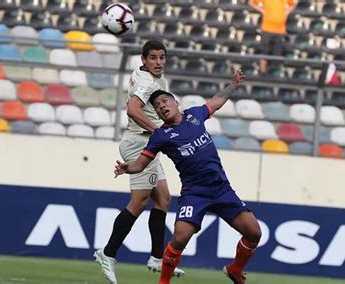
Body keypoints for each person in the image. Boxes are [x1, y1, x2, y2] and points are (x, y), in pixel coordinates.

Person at [113, 69, 262, 284]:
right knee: (180, 236)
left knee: (254, 232)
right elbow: (141, 163)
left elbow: (216, 101)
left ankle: (235, 269)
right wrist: (128, 168)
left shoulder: (195, 115)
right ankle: (163, 282)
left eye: (165, 101)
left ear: (176, 103)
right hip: (195, 193)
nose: (162, 106)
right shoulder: (161, 136)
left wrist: (234, 84)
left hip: (221, 189)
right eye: (157, 107)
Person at [94, 40, 184, 284]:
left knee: (163, 199)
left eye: (162, 57)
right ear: (143, 60)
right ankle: (107, 253)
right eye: (153, 58)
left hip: (146, 143)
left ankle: (157, 257)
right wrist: (158, 132)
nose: (158, 62)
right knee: (139, 201)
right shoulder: (146, 82)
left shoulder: (148, 78)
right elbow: (133, 110)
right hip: (138, 144)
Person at [249, 0, 297, 73]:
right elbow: (251, 2)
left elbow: (292, 4)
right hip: (267, 29)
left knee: (277, 53)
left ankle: (273, 74)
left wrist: (287, 12)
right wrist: (261, 10)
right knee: (264, 52)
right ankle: (262, 74)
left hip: (280, 30)